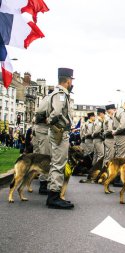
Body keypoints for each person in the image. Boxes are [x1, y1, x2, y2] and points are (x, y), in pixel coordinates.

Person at [45, 67, 75, 209]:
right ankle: (54, 196)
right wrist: (53, 120)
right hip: (60, 132)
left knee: (56, 163)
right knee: (58, 164)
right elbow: (56, 112)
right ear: (67, 81)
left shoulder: (58, 93)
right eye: (71, 81)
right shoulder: (61, 93)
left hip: (59, 132)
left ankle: (54, 194)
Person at [34, 89, 53, 195]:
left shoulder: (48, 98)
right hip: (43, 130)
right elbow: (40, 115)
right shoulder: (48, 99)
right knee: (45, 157)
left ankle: (46, 181)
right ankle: (43, 184)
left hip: (46, 130)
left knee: (48, 156)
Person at [103, 104, 117, 171]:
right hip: (110, 139)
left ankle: (105, 172)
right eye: (114, 109)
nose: (115, 110)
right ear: (109, 110)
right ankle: (105, 172)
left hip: (110, 139)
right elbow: (111, 130)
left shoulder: (110, 118)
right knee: (109, 157)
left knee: (108, 156)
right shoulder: (109, 119)